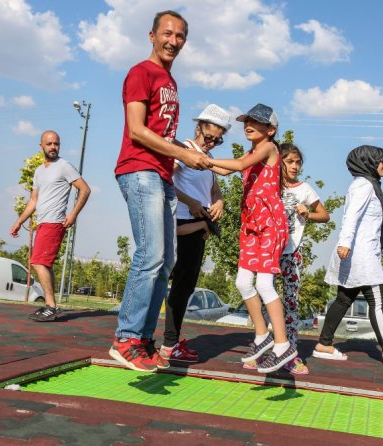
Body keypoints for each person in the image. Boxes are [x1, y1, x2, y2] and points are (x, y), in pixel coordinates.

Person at [111, 10, 212, 373]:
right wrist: (184, 153)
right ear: (151, 35)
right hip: (139, 171)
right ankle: (125, 337)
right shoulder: (141, 73)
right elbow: (137, 130)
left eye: (180, 36)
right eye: (167, 34)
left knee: (167, 262)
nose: (174, 41)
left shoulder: (170, 81)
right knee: (150, 255)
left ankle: (142, 340)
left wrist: (183, 162)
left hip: (163, 177)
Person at [314, 145, 383, 366]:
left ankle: (324, 344)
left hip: (360, 253)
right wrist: (344, 243)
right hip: (359, 256)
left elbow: (371, 225)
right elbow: (351, 216)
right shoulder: (363, 185)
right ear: (368, 162)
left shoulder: (370, 186)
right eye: (381, 160)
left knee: (343, 299)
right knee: (377, 301)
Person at [210, 103, 296, 374]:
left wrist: (206, 159)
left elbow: (237, 164)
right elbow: (226, 170)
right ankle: (262, 335)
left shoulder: (269, 149)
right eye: (246, 121)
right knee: (242, 281)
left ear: (270, 130)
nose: (248, 125)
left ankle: (283, 344)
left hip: (270, 224)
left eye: (255, 122)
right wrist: (196, 155)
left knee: (265, 284)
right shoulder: (252, 152)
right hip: (251, 227)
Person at [160, 104, 231, 363]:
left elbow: (213, 190)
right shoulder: (186, 151)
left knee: (186, 286)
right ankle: (167, 343)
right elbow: (166, 180)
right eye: (209, 136)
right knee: (177, 286)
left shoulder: (206, 160)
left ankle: (171, 341)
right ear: (198, 127)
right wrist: (190, 202)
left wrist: (220, 201)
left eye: (218, 139)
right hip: (182, 221)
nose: (212, 142)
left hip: (199, 225)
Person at [10, 130, 91, 322]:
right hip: (42, 222)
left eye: (56, 143)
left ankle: (51, 307)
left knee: (38, 262)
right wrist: (19, 221)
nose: (53, 147)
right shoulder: (39, 171)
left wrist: (73, 214)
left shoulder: (64, 166)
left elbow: (85, 189)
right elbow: (33, 200)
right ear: (41, 146)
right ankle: (50, 305)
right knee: (43, 263)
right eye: (49, 144)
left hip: (55, 222)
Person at [277, 143, 330, 374]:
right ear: (279, 162)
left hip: (291, 252)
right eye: (290, 161)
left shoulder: (305, 189)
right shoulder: (270, 185)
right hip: (268, 252)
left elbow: (324, 215)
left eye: (298, 162)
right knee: (262, 298)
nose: (295, 166)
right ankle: (266, 346)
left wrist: (308, 213)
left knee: (291, 303)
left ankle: (291, 352)